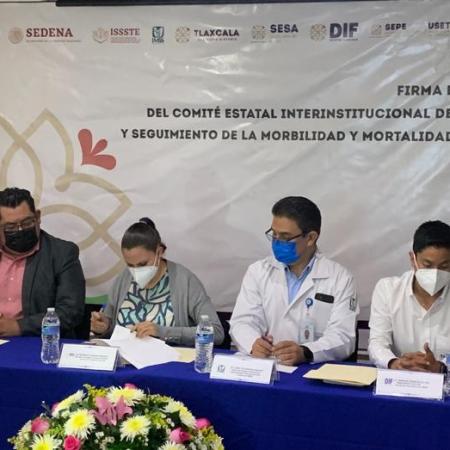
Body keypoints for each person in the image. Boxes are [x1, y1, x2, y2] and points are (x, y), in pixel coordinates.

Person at [230, 196, 358, 366]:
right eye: (274, 234)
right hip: (265, 366)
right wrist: (253, 344)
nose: (277, 242)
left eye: (285, 237)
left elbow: (343, 337)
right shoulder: (258, 271)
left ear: (311, 238)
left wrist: (306, 352)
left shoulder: (340, 278)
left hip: (312, 370)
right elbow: (242, 322)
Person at [91, 217, 224, 346]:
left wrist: (163, 332)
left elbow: (216, 333)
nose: (136, 271)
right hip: (126, 357)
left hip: (170, 359)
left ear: (159, 252)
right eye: (130, 265)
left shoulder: (184, 281)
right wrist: (104, 327)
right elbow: (111, 329)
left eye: (142, 264)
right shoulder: (123, 279)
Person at [0, 187, 85, 338]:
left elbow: (70, 312)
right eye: (10, 227)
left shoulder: (62, 253)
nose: (20, 230)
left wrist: (19, 327)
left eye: (27, 222)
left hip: (40, 341)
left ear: (37, 217)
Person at [369, 220, 450, 372]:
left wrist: (441, 368)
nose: (435, 273)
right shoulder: (388, 290)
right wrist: (394, 363)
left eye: (444, 266)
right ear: (413, 259)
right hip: (401, 379)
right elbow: (377, 342)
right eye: (427, 265)